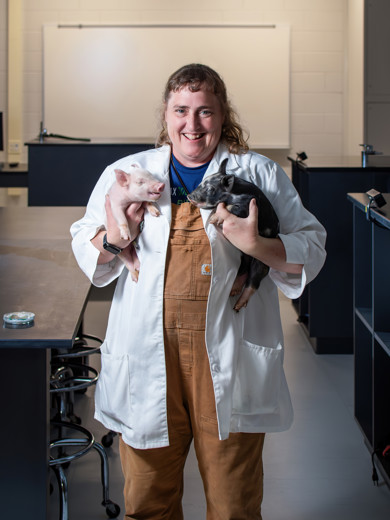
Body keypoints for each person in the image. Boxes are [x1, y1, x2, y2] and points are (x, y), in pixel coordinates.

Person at [71, 63, 326, 519]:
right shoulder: (128, 174)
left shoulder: (259, 173)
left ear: (222, 115)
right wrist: (114, 235)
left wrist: (256, 244)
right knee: (148, 501)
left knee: (234, 504)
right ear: (166, 116)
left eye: (205, 111)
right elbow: (87, 248)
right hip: (149, 359)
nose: (192, 124)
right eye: (181, 111)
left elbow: (313, 247)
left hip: (228, 358)